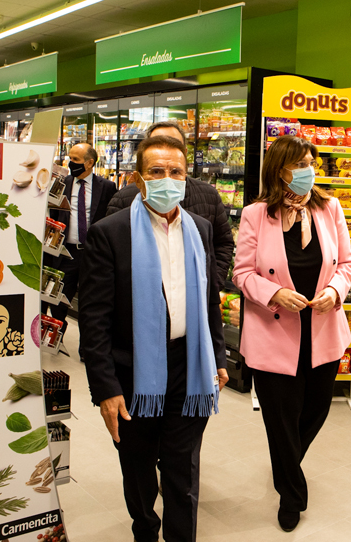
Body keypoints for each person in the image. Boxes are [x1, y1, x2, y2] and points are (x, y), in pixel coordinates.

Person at [80, 135, 229, 542]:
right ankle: (144, 529)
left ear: (186, 178)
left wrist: (217, 356)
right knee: (139, 467)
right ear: (138, 179)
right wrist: (105, 388)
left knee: (182, 471)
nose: (167, 179)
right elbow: (94, 320)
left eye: (175, 172)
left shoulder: (199, 229)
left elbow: (208, 302)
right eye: (156, 171)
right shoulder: (110, 233)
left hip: (188, 367)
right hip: (133, 372)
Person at [232, 135, 351, 532]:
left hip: (322, 331)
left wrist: (334, 291)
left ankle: (286, 465)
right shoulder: (256, 214)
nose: (308, 171)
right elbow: (242, 273)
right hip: (273, 334)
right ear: (279, 170)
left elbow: (346, 264)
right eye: (300, 165)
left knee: (316, 410)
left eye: (311, 163)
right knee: (280, 419)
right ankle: (291, 493)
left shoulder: (329, 208)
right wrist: (274, 293)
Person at [107, 122, 235, 289]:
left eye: (174, 145)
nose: (166, 150)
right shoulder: (123, 199)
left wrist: (211, 285)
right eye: (158, 144)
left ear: (185, 153)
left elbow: (222, 243)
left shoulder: (208, 195)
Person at [48, 143, 116, 323]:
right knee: (59, 302)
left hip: (92, 254)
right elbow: (53, 215)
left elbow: (110, 218)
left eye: (75, 159)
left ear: (89, 163)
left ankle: (86, 339)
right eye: (70, 158)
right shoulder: (62, 183)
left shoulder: (107, 187)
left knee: (91, 303)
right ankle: (57, 332)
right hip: (66, 254)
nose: (70, 163)